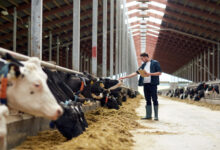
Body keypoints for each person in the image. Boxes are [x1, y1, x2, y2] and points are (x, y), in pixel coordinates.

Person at [119, 52, 162, 120]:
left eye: (142, 58)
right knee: (147, 100)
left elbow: (159, 72)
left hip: (153, 84)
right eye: (141, 59)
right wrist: (125, 77)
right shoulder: (143, 65)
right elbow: (136, 73)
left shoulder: (155, 62)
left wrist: (149, 74)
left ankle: (156, 116)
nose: (142, 60)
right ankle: (148, 115)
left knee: (154, 99)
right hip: (146, 84)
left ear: (146, 57)